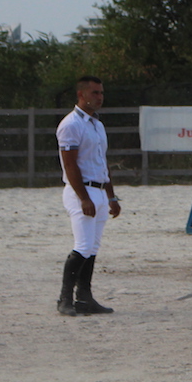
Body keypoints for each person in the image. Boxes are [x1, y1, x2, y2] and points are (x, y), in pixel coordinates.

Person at [55, 75, 121, 316]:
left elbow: (102, 162)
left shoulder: (97, 124)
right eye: (95, 93)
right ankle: (65, 298)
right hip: (80, 190)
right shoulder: (71, 124)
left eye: (101, 93)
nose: (100, 97)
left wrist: (111, 196)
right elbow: (70, 165)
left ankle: (85, 297)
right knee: (82, 246)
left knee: (92, 247)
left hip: (99, 189)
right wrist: (83, 197)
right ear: (81, 95)